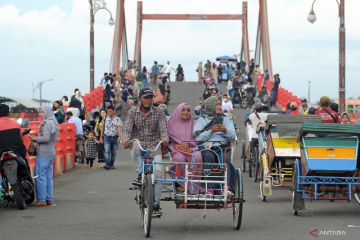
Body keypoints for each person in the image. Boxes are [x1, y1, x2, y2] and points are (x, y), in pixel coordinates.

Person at [124, 88, 169, 217]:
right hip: (139, 144)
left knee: (159, 172)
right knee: (135, 145)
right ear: (140, 99)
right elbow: (127, 129)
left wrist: (165, 139)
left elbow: (163, 129)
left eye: (150, 97)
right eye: (146, 97)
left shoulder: (159, 112)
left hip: (155, 146)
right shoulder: (132, 112)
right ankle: (140, 173)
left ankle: (155, 203)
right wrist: (126, 140)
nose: (148, 100)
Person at [193, 96, 236, 195]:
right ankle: (210, 188)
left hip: (222, 146)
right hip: (207, 147)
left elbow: (232, 136)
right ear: (210, 106)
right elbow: (198, 138)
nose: (219, 107)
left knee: (226, 161)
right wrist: (211, 131)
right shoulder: (202, 120)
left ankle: (227, 188)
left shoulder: (226, 119)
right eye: (216, 105)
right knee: (209, 157)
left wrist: (224, 130)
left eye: (220, 104)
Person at [167, 103, 203, 194]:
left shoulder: (194, 123)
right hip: (177, 150)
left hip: (192, 149)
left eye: (188, 110)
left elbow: (198, 138)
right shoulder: (170, 123)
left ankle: (194, 185)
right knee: (179, 159)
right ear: (178, 111)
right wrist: (178, 145)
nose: (186, 112)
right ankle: (181, 183)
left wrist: (189, 143)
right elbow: (167, 139)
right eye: (183, 110)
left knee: (198, 157)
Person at [31, 106, 59, 206]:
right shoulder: (54, 122)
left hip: (43, 153)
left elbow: (46, 138)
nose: (40, 114)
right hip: (51, 152)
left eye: (42, 112)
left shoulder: (47, 123)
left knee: (40, 176)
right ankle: (49, 198)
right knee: (48, 177)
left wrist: (34, 139)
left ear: (47, 112)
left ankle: (42, 200)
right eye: (40, 112)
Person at [102, 105, 122, 170]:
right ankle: (107, 164)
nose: (109, 113)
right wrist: (100, 137)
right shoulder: (105, 118)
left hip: (115, 137)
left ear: (114, 111)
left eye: (110, 111)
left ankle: (112, 164)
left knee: (113, 152)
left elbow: (119, 128)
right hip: (106, 136)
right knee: (107, 150)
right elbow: (103, 128)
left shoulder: (118, 119)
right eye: (108, 112)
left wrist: (120, 136)